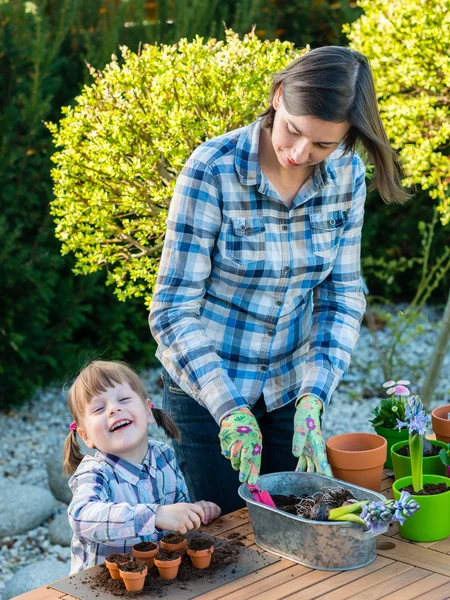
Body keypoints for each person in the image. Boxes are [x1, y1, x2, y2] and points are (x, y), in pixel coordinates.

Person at [149, 46, 409, 515]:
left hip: (292, 389)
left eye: (322, 145)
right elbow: (172, 309)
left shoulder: (347, 176)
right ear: (277, 95)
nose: (298, 153)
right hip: (210, 393)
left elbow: (342, 296)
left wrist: (315, 394)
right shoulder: (212, 170)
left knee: (294, 526)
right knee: (225, 538)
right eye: (294, 130)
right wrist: (229, 409)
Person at [63, 359, 221, 574]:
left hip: (155, 578)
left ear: (148, 411)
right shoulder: (95, 472)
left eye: (124, 399)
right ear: (85, 436)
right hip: (104, 584)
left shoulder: (163, 455)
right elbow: (81, 517)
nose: (114, 409)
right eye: (99, 408)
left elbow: (176, 511)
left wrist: (194, 512)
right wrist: (154, 515)